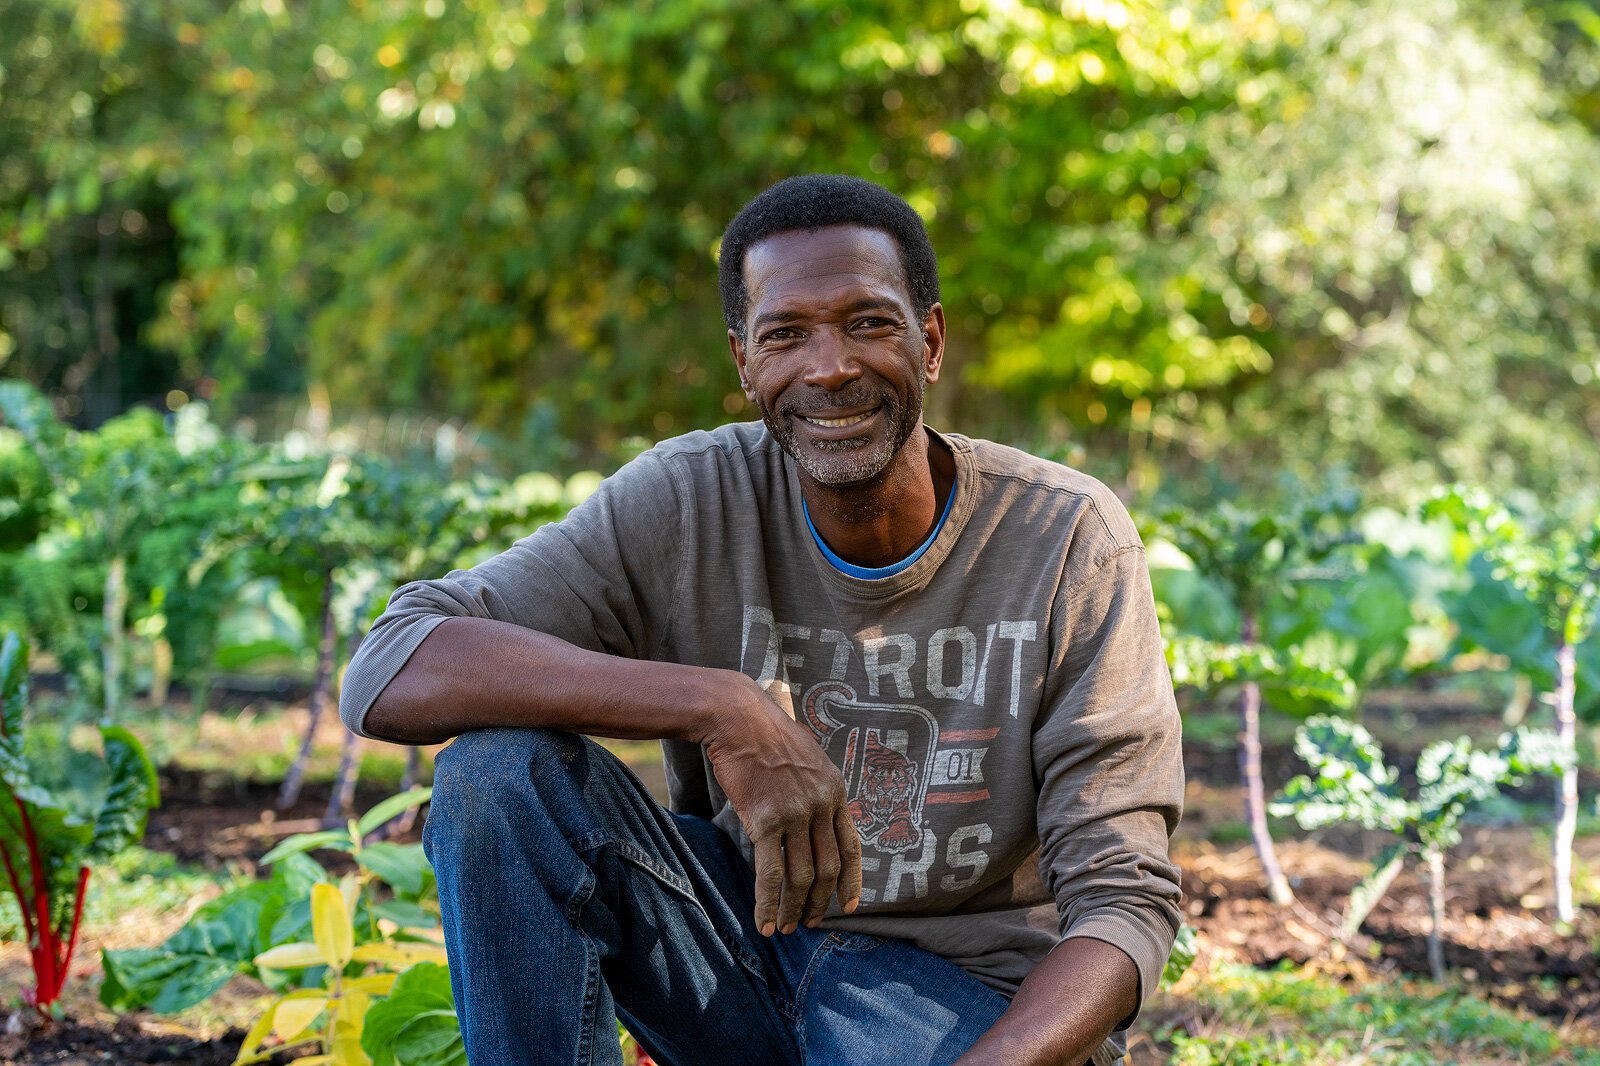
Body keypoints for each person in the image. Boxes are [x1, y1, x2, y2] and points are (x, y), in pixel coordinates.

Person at [340, 174, 1183, 1066]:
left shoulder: (1066, 539)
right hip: (738, 953)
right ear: (745, 364)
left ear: (930, 342)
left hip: (958, 1003)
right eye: (787, 334)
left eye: (869, 322)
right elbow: (392, 666)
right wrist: (717, 703)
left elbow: (1124, 902)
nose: (830, 367)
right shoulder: (687, 499)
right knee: (496, 777)